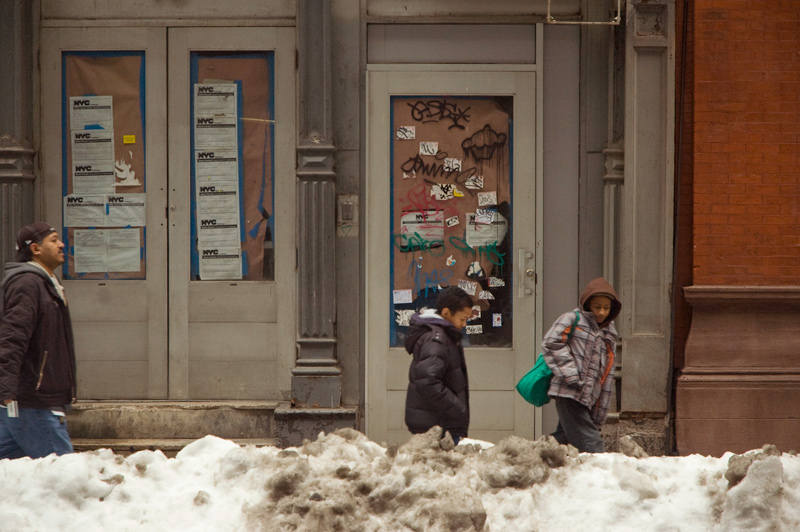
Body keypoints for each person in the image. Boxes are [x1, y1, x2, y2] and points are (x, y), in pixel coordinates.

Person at [0, 222, 76, 459]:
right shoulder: (28, 284)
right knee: (63, 477)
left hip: (29, 400)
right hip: (34, 402)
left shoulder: (45, 283)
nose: (62, 244)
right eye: (53, 240)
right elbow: (12, 339)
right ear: (35, 248)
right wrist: (6, 387)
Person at [542, 277, 620, 453]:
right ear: (587, 304)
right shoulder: (572, 319)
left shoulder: (608, 333)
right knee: (592, 445)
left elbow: (607, 374)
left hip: (588, 396)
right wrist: (570, 374)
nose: (601, 312)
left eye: (606, 308)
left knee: (563, 441)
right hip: (569, 391)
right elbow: (551, 343)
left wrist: (600, 408)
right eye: (597, 307)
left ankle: (535, 457)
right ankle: (600, 475)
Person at [404, 286, 473, 446]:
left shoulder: (444, 335)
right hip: (437, 426)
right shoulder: (437, 340)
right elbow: (428, 381)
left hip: (438, 422)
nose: (464, 324)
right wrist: (456, 408)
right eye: (462, 319)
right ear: (446, 313)